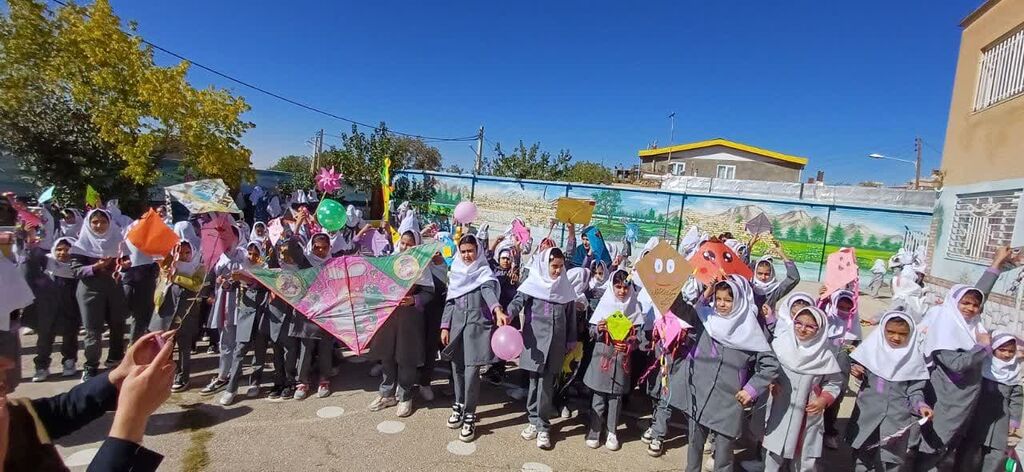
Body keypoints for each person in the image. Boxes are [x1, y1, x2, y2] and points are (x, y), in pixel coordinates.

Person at [1, 329, 172, 471]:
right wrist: (131, 421)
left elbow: (56, 412)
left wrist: (116, 378)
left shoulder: (13, 412)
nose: (8, 363)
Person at [687, 275, 779, 472]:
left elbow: (770, 364)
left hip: (730, 400)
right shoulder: (707, 319)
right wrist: (706, 294)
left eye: (728, 300)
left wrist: (751, 390)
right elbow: (690, 315)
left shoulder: (750, 330)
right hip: (701, 393)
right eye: (718, 299)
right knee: (694, 445)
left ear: (739, 300)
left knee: (723, 453)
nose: (721, 304)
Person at [507, 247, 579, 450]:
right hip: (535, 343)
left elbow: (571, 316)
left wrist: (571, 341)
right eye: (553, 266)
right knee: (533, 383)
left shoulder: (565, 288)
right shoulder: (533, 284)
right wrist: (508, 314)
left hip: (555, 344)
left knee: (546, 385)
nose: (557, 271)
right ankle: (532, 421)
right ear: (544, 265)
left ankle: (544, 426)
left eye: (560, 266)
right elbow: (517, 301)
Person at [915, 284, 992, 471]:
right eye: (965, 303)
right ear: (954, 302)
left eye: (975, 305)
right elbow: (957, 364)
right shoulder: (945, 327)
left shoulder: (974, 327)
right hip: (946, 396)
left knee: (951, 440)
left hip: (965, 399)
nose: (970, 308)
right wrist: (982, 347)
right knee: (936, 440)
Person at [440, 234, 509, 443]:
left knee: (471, 372)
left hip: (476, 329)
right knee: (457, 368)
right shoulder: (457, 273)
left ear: (478, 251)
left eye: (470, 251)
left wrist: (497, 309)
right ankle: (459, 404)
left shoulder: (483, 274)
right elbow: (450, 301)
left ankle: (470, 415)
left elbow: (489, 293)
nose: (467, 255)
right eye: (463, 251)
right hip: (457, 328)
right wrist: (444, 326)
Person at [847, 311, 933, 472]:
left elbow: (915, 391)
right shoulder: (872, 351)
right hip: (868, 414)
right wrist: (858, 370)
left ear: (911, 334)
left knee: (892, 459)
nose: (896, 337)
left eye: (902, 334)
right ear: (882, 330)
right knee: (862, 455)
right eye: (891, 332)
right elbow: (858, 369)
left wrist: (921, 405)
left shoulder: (913, 360)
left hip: (896, 418)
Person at [762, 306, 843, 472]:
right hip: (780, 408)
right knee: (774, 451)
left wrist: (823, 399)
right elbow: (766, 368)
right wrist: (771, 381)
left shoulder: (824, 355)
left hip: (808, 414)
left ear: (820, 329)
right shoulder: (779, 345)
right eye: (798, 323)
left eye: (810, 326)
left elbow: (834, 382)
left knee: (804, 455)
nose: (802, 329)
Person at [369, 215, 435, 416]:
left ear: (416, 245)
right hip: (388, 317)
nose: (405, 248)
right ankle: (387, 392)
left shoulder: (421, 266)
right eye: (403, 244)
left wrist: (414, 300)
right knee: (387, 355)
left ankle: (405, 395)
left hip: (409, 319)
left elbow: (429, 292)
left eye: (410, 244)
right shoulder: (389, 261)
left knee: (406, 358)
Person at [583, 268, 642, 451]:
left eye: (626, 287)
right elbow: (591, 331)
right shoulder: (605, 304)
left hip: (621, 359)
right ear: (612, 286)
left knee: (615, 399)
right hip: (603, 357)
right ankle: (594, 431)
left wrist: (630, 345)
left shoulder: (634, 308)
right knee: (599, 397)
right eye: (618, 286)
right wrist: (599, 329)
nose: (622, 291)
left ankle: (612, 432)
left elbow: (639, 338)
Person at [70, 209, 129, 382]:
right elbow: (76, 270)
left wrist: (124, 264)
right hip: (90, 291)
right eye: (95, 222)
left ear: (110, 223)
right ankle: (90, 366)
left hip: (114, 288)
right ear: (88, 224)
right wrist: (96, 266)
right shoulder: (81, 245)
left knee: (118, 324)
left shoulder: (118, 240)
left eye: (103, 222)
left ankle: (115, 358)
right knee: (92, 330)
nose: (99, 225)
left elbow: (125, 261)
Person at [960, 331, 1023, 471]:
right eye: (1002, 350)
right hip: (977, 414)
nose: (1007, 354)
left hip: (1000, 417)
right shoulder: (983, 365)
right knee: (970, 446)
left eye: (1011, 351)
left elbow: (1016, 398)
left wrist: (1014, 420)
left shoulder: (1014, 371)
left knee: (996, 450)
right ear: (994, 348)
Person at [151, 240, 206, 392]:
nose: (183, 256)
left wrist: (176, 277)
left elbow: (196, 284)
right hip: (167, 310)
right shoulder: (167, 265)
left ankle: (183, 377)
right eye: (180, 252)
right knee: (166, 346)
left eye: (187, 252)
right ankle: (165, 375)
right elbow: (160, 285)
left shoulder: (199, 267)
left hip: (186, 312)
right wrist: (166, 272)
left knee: (184, 346)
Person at [220, 241, 270, 406]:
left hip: (262, 313)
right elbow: (230, 286)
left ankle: (255, 382)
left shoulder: (265, 269)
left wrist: (249, 280)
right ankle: (231, 388)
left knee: (260, 349)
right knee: (240, 350)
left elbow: (266, 285)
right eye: (250, 253)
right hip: (245, 314)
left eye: (256, 254)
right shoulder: (241, 267)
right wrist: (226, 282)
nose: (252, 257)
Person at [27, 237, 81, 381]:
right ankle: (41, 366)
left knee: (70, 336)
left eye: (67, 249)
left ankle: (69, 362)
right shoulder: (46, 263)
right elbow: (30, 261)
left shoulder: (76, 267)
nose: (63, 253)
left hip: (69, 308)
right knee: (44, 339)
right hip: (47, 309)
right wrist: (31, 244)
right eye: (59, 249)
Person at [200, 228, 245, 397]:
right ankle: (225, 373)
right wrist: (215, 287)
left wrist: (232, 281)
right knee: (225, 340)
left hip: (239, 302)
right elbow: (211, 278)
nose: (225, 240)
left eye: (229, 236)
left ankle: (229, 373)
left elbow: (250, 276)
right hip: (223, 302)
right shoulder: (218, 257)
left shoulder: (244, 256)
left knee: (236, 340)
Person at [288, 233, 334, 400]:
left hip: (327, 311)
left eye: (324, 248)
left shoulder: (333, 263)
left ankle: (324, 380)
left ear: (330, 248)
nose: (320, 251)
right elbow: (292, 249)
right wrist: (297, 226)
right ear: (311, 246)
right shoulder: (305, 262)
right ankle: (302, 382)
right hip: (308, 312)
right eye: (317, 247)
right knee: (305, 348)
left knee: (325, 348)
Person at [820, 289, 861, 449]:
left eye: (847, 308)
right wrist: (823, 299)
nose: (843, 311)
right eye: (840, 306)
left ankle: (829, 432)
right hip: (820, 370)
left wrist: (856, 365)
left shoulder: (854, 329)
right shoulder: (825, 322)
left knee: (834, 401)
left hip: (840, 373)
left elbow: (858, 353)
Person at [121, 228, 160, 344]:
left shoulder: (153, 245)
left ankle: (141, 347)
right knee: (139, 317)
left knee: (145, 317)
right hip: (136, 282)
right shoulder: (126, 244)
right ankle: (134, 347)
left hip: (148, 283)